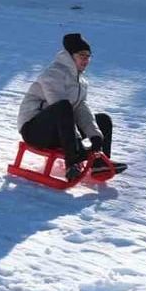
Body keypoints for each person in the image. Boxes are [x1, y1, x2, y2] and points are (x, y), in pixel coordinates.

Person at [17, 33, 127, 181]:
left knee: (103, 120)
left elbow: (81, 109)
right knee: (63, 106)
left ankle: (100, 162)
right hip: (35, 131)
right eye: (82, 55)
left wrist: (95, 136)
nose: (86, 60)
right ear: (70, 56)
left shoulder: (81, 81)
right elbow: (59, 108)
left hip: (61, 131)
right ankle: (72, 162)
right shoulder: (53, 74)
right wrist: (77, 143)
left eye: (88, 56)